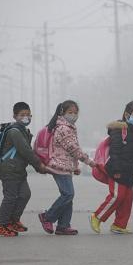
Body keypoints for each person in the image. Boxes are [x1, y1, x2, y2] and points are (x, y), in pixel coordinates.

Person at [90, 101, 133, 234]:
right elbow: (114, 151)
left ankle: (119, 225)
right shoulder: (118, 129)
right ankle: (97, 216)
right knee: (117, 196)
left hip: (129, 171)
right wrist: (116, 170)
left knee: (127, 199)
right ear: (127, 115)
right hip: (117, 170)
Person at [38, 100, 95, 236]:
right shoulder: (64, 128)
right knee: (68, 194)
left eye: (75, 113)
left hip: (65, 166)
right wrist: (89, 161)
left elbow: (70, 152)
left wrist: (75, 167)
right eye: (70, 112)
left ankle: (63, 225)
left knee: (68, 196)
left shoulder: (68, 127)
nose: (73, 115)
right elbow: (73, 149)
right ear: (62, 113)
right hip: (58, 166)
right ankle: (47, 217)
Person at [0, 102, 46, 237]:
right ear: (15, 116)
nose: (26, 117)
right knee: (10, 197)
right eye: (22, 115)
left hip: (19, 170)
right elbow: (26, 151)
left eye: (28, 115)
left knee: (25, 195)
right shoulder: (14, 132)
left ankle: (13, 221)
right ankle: (1, 225)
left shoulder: (24, 131)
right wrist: (38, 165)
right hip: (9, 169)